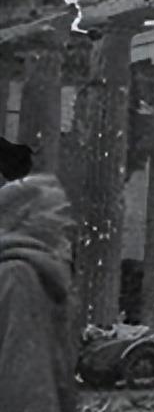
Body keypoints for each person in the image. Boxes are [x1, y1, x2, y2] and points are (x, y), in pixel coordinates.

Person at [0, 173, 77, 412]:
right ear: (26, 219)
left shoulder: (24, 271)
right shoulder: (19, 275)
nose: (67, 224)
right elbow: (25, 376)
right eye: (57, 214)